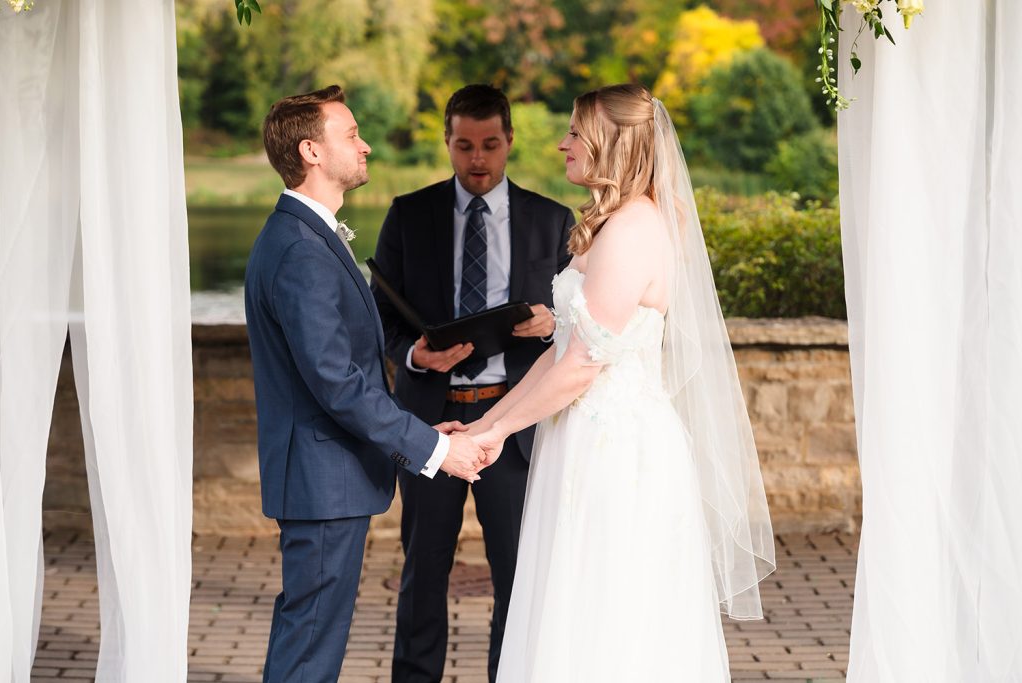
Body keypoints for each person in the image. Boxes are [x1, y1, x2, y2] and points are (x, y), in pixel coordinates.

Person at [469, 84, 777, 681]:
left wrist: (499, 432)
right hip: (583, 437)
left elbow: (583, 365)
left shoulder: (635, 228)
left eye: (575, 133)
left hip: (618, 453)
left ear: (612, 142)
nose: (563, 144)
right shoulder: (615, 224)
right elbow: (562, 351)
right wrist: (488, 424)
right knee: (573, 601)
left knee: (609, 611)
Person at [244, 85, 485, 683]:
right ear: (312, 152)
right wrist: (435, 450)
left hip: (324, 478)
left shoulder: (308, 236)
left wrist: (421, 427)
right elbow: (335, 383)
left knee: (310, 635)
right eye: (350, 135)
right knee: (310, 646)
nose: (366, 145)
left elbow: (342, 369)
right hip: (321, 482)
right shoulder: (300, 248)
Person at [370, 84, 574, 683]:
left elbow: (580, 323)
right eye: (463, 146)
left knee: (517, 572)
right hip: (430, 424)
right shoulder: (410, 214)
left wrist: (552, 324)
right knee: (422, 569)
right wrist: (411, 357)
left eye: (489, 145)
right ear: (447, 143)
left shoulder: (551, 220)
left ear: (509, 141)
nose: (477, 159)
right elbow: (380, 316)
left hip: (512, 428)